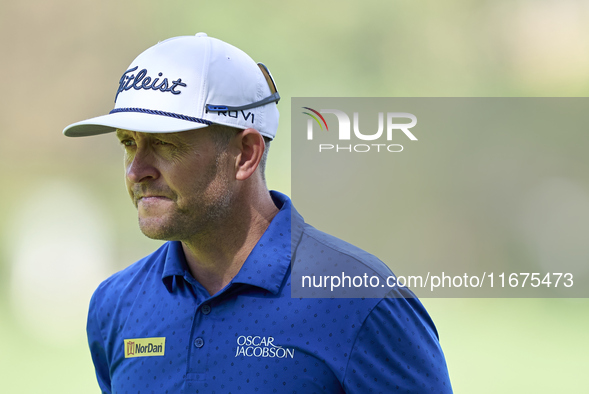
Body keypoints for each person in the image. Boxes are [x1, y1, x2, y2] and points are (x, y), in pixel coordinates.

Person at [64, 33, 453, 393]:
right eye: (129, 144)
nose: (137, 170)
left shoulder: (361, 301)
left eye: (165, 144)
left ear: (246, 154)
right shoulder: (116, 304)